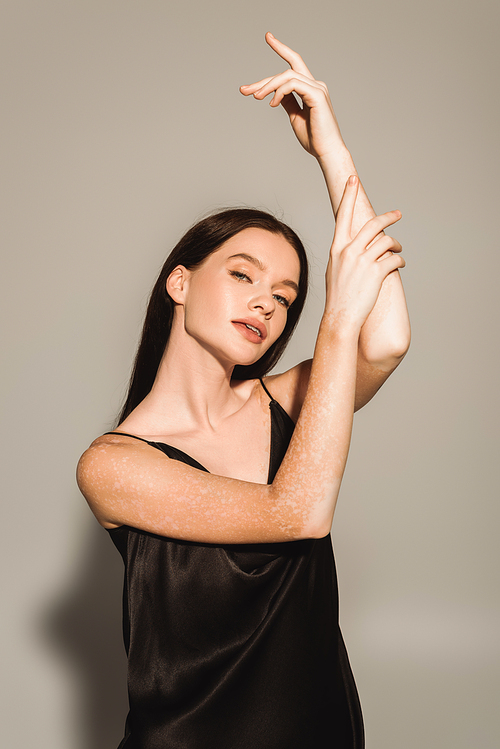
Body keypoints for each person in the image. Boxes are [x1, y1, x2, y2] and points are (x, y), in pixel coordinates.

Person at [77, 32, 410, 749]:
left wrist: (332, 151)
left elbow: (385, 339)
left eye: (288, 296)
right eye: (243, 274)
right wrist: (337, 316)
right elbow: (295, 512)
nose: (268, 302)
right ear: (180, 281)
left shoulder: (287, 403)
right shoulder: (113, 466)